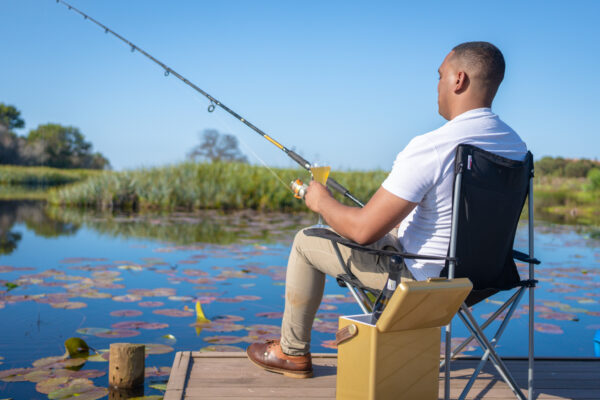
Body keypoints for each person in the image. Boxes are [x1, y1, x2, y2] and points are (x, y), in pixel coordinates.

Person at [246, 41, 528, 378]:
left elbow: (363, 231)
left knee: (306, 241)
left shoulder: (433, 146)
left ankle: (292, 353)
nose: (437, 85)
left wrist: (320, 201)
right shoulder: (516, 147)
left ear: (459, 80)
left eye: (440, 76)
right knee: (386, 225)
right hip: (481, 281)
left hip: (422, 285)